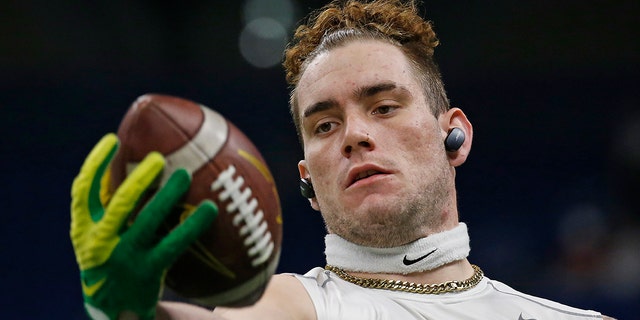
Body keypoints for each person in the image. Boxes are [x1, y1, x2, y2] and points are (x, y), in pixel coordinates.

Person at [70, 0, 614, 319]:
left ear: (455, 136)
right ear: (307, 180)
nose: (354, 135)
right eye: (324, 125)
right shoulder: (295, 307)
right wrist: (119, 311)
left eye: (383, 106)